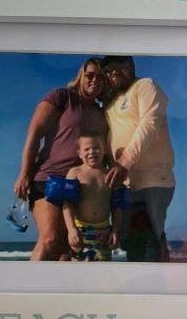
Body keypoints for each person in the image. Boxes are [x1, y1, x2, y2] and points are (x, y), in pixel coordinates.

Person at [13, 58, 108, 261]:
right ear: (81, 76)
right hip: (49, 178)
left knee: (67, 251)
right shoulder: (62, 97)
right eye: (90, 75)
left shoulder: (103, 113)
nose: (95, 80)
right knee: (51, 240)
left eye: (100, 77)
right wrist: (23, 174)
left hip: (82, 185)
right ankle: (26, 290)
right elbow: (34, 133)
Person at [102, 56, 176, 262]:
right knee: (133, 243)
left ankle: (153, 290)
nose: (115, 73)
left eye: (121, 67)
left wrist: (123, 163)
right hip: (125, 185)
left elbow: (149, 125)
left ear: (132, 66)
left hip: (152, 179)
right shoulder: (109, 105)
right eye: (109, 70)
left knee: (149, 242)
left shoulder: (145, 86)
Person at [62, 133, 123, 261]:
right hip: (80, 231)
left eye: (96, 148)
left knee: (102, 272)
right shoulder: (75, 173)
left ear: (104, 150)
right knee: (79, 271)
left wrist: (115, 230)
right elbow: (67, 204)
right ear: (79, 153)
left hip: (104, 231)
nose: (91, 152)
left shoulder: (110, 174)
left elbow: (117, 207)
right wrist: (71, 229)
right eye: (86, 149)